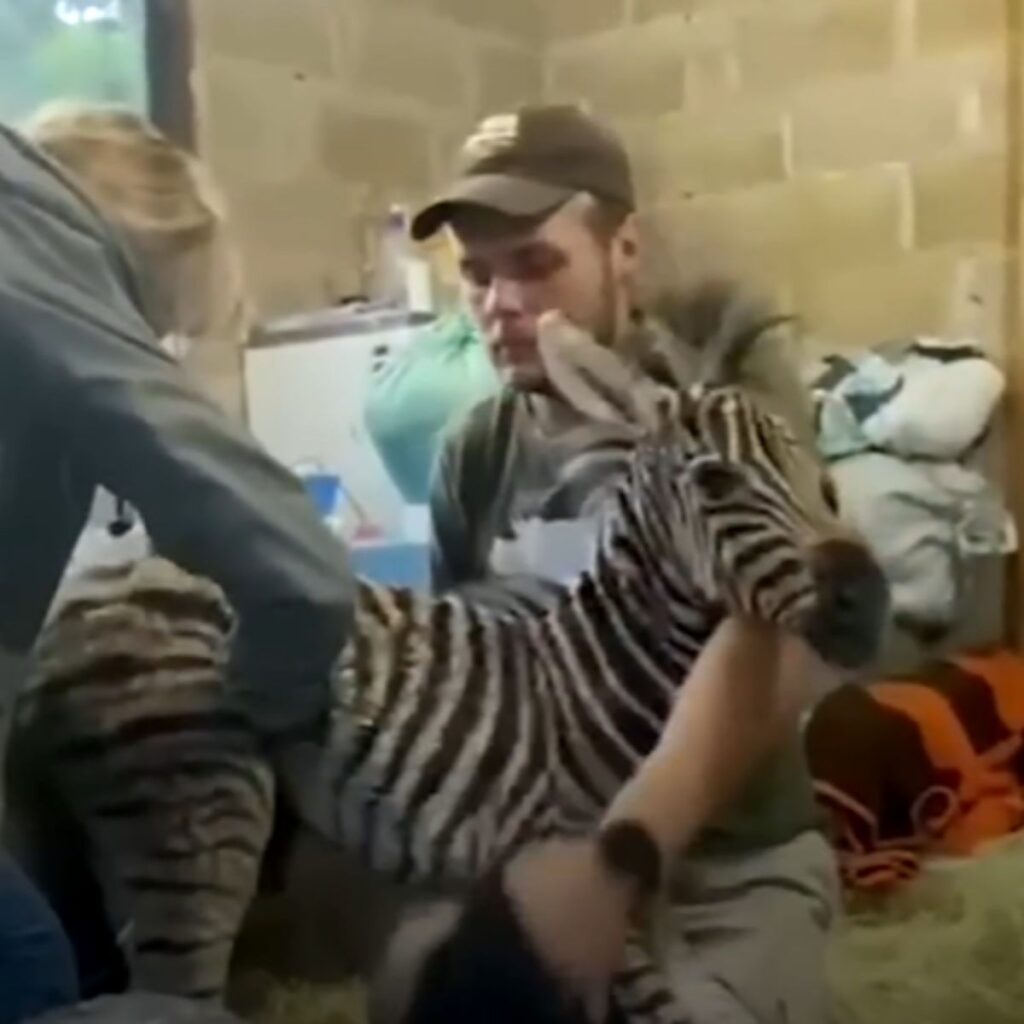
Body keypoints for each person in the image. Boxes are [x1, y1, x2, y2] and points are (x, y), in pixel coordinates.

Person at [411, 103, 841, 1023]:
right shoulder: (474, 454)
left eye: (536, 264)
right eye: (476, 275)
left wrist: (619, 865)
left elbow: (796, 637)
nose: (503, 306)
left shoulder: (722, 407)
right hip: (538, 853)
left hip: (732, 862)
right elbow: (462, 685)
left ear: (625, 251)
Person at [0, 105, 353, 1019]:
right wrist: (260, 699)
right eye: (153, 325)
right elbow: (299, 571)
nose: (152, 348)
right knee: (38, 967)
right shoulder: (36, 235)